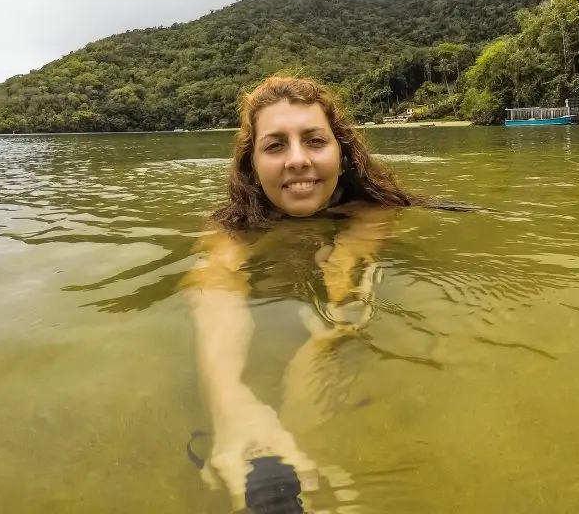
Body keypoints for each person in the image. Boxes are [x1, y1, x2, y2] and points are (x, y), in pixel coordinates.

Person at [183, 75, 453, 511]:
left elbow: (347, 276)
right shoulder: (230, 227)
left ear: (342, 155)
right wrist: (228, 397)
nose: (297, 160)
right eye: (275, 146)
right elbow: (213, 284)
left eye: (314, 141)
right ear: (251, 167)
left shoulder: (376, 209)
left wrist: (337, 305)